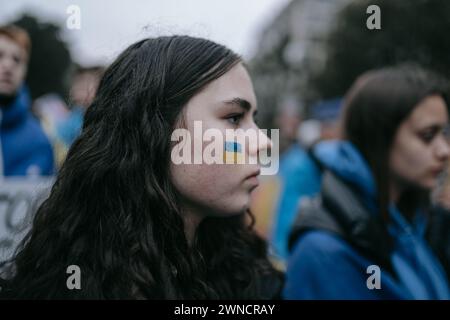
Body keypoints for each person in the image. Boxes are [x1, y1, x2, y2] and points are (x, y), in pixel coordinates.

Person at [0, 36, 283, 299]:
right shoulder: (67, 283)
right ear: (156, 129)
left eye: (253, 119)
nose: (263, 142)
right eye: (234, 118)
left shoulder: (248, 271)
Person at [284, 64, 450, 299]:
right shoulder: (323, 252)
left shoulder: (409, 227)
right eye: (427, 135)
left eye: (444, 133)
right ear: (380, 137)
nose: (444, 150)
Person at [0, 25, 54, 177]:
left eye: (17, 60)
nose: (8, 65)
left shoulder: (39, 142)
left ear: (24, 71)